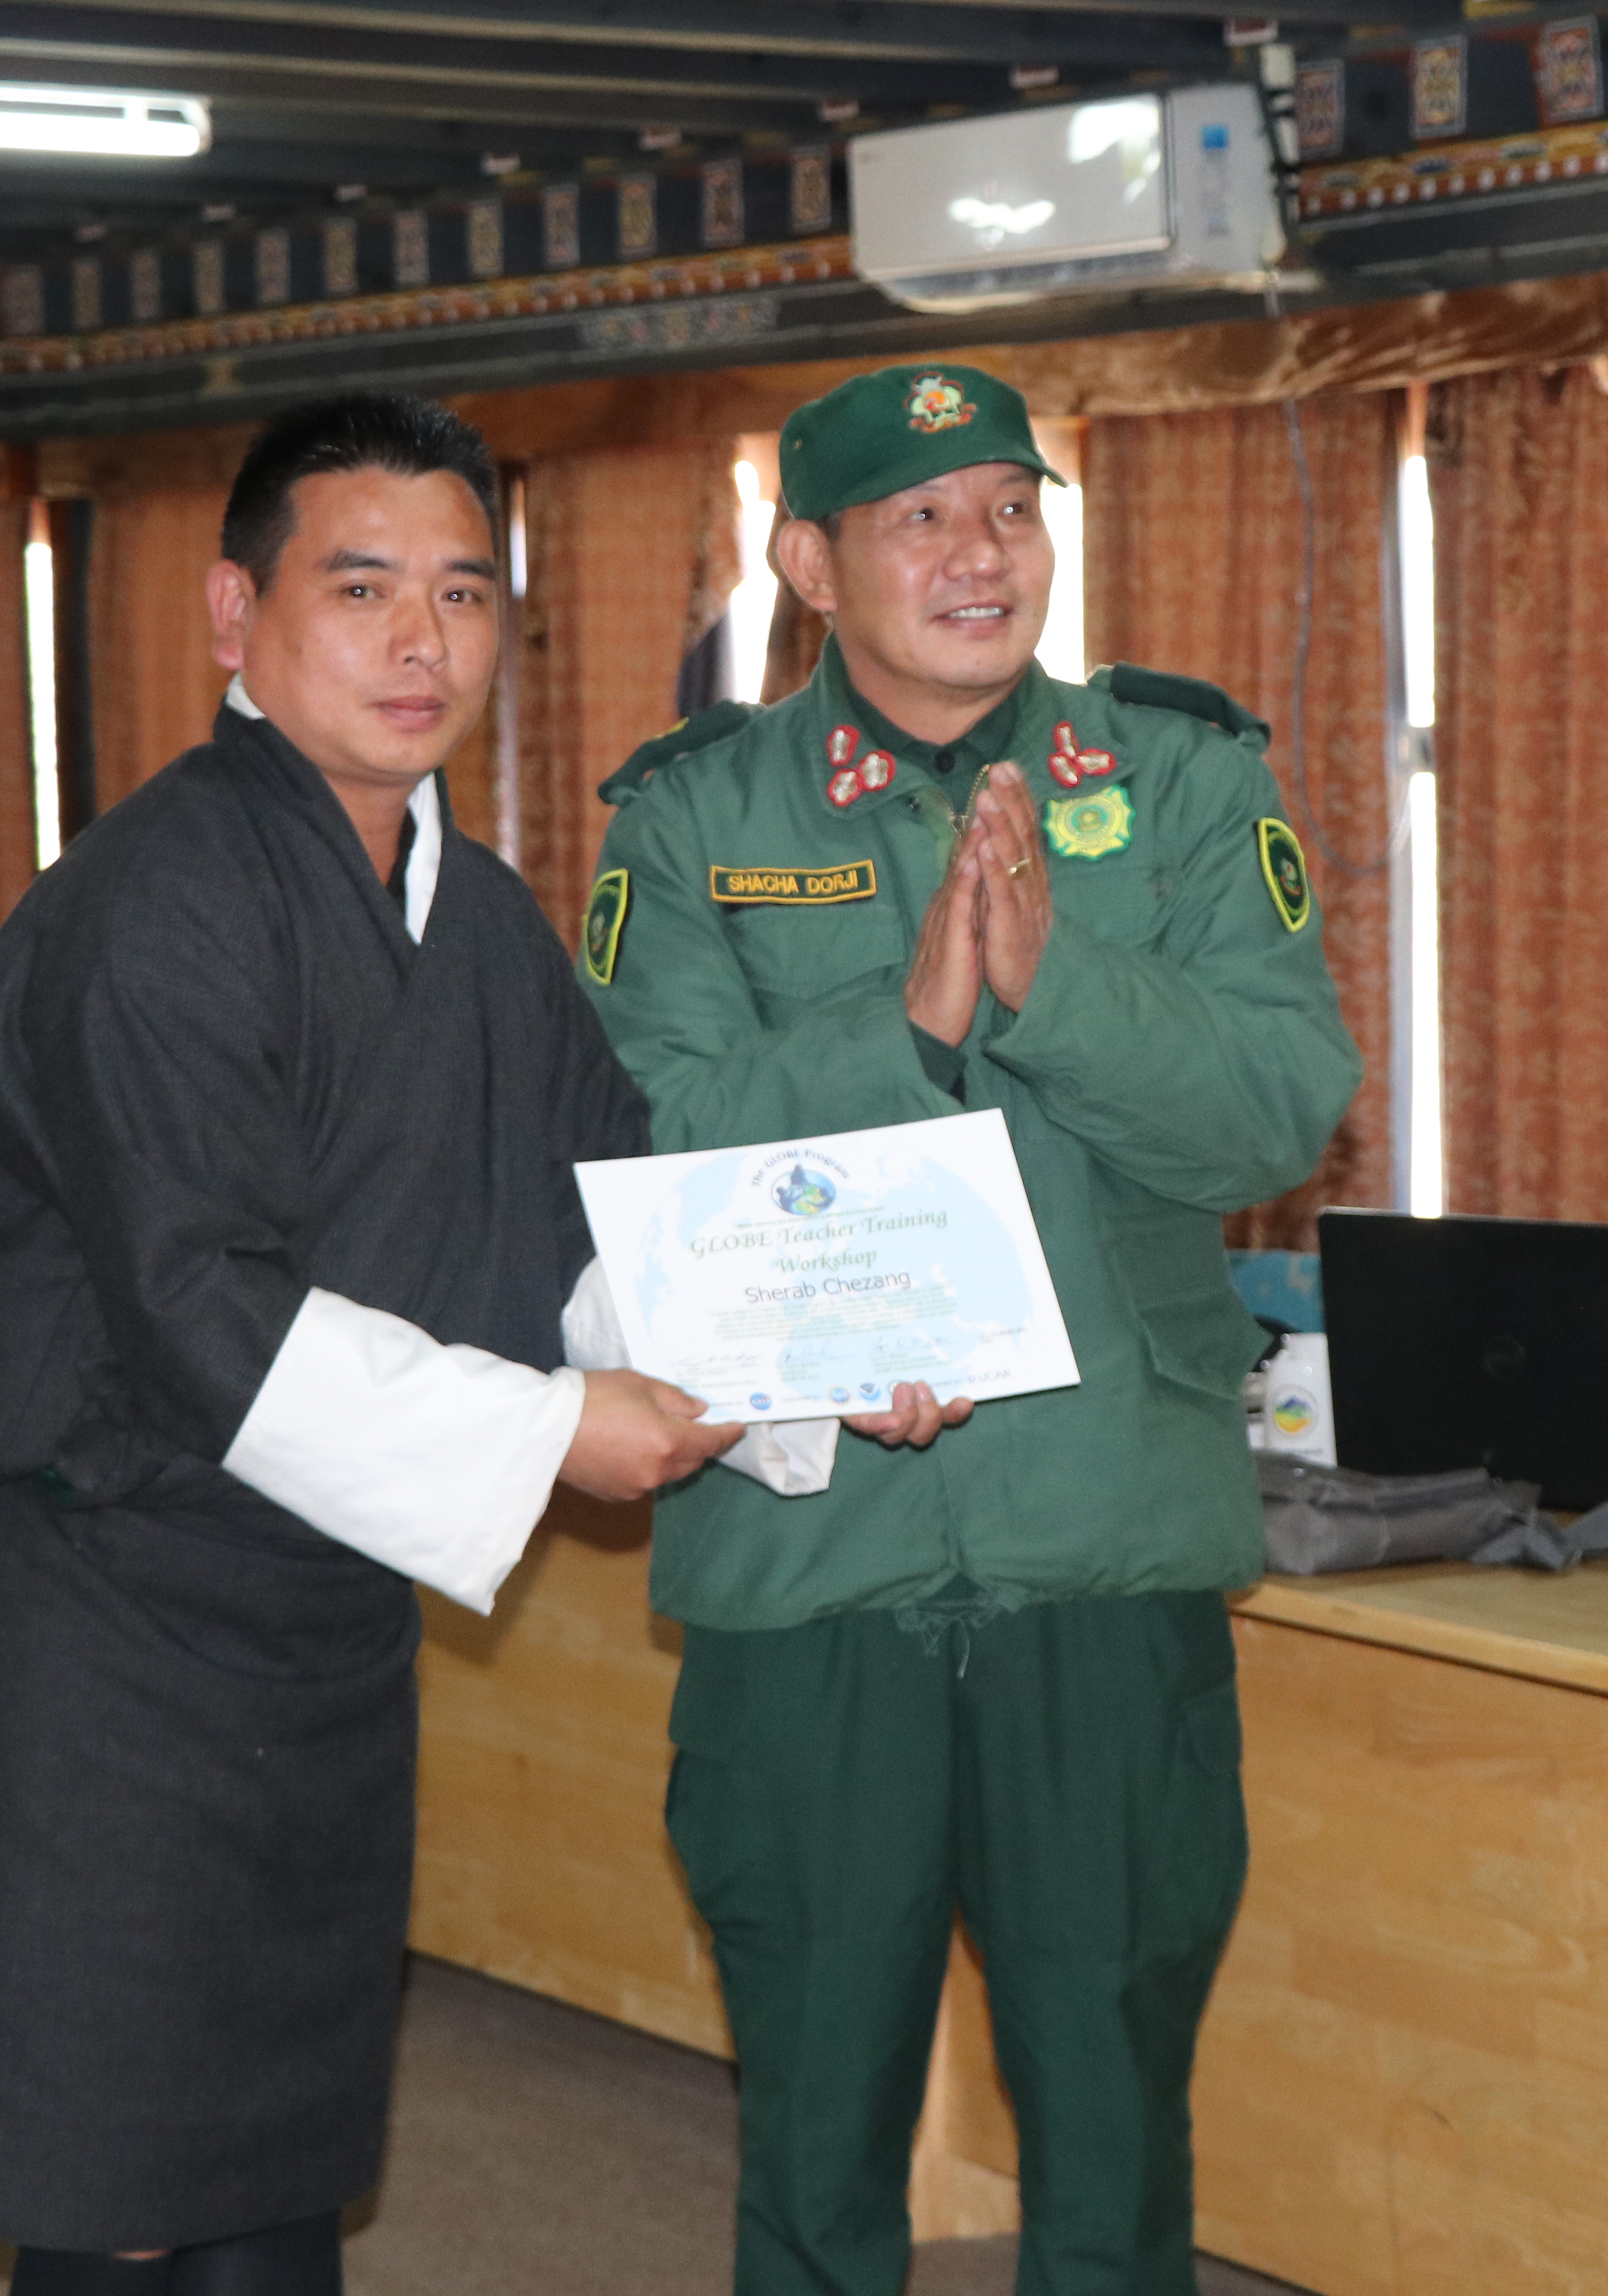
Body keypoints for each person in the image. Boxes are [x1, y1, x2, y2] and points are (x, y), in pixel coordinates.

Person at [0, 394, 752, 2296]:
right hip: (98, 1615)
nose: (424, 643)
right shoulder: (149, 903)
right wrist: (553, 1430)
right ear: (235, 613)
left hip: (313, 1622)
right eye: (364, 587)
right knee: (120, 2176)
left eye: (466, 594)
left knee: (266, 2167)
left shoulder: (479, 921)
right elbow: (199, 1311)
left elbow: (595, 1219)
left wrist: (799, 1357)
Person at [577, 362, 1362, 2296]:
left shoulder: (1181, 778)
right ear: (810, 564)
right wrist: (908, 1024)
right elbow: (647, 1143)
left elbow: (1282, 1112)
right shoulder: (693, 814)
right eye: (921, 516)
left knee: (1111, 2128)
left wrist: (1052, 983)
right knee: (815, 2126)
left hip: (1103, 1539)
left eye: (1011, 507)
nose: (978, 553)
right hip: (809, 1551)